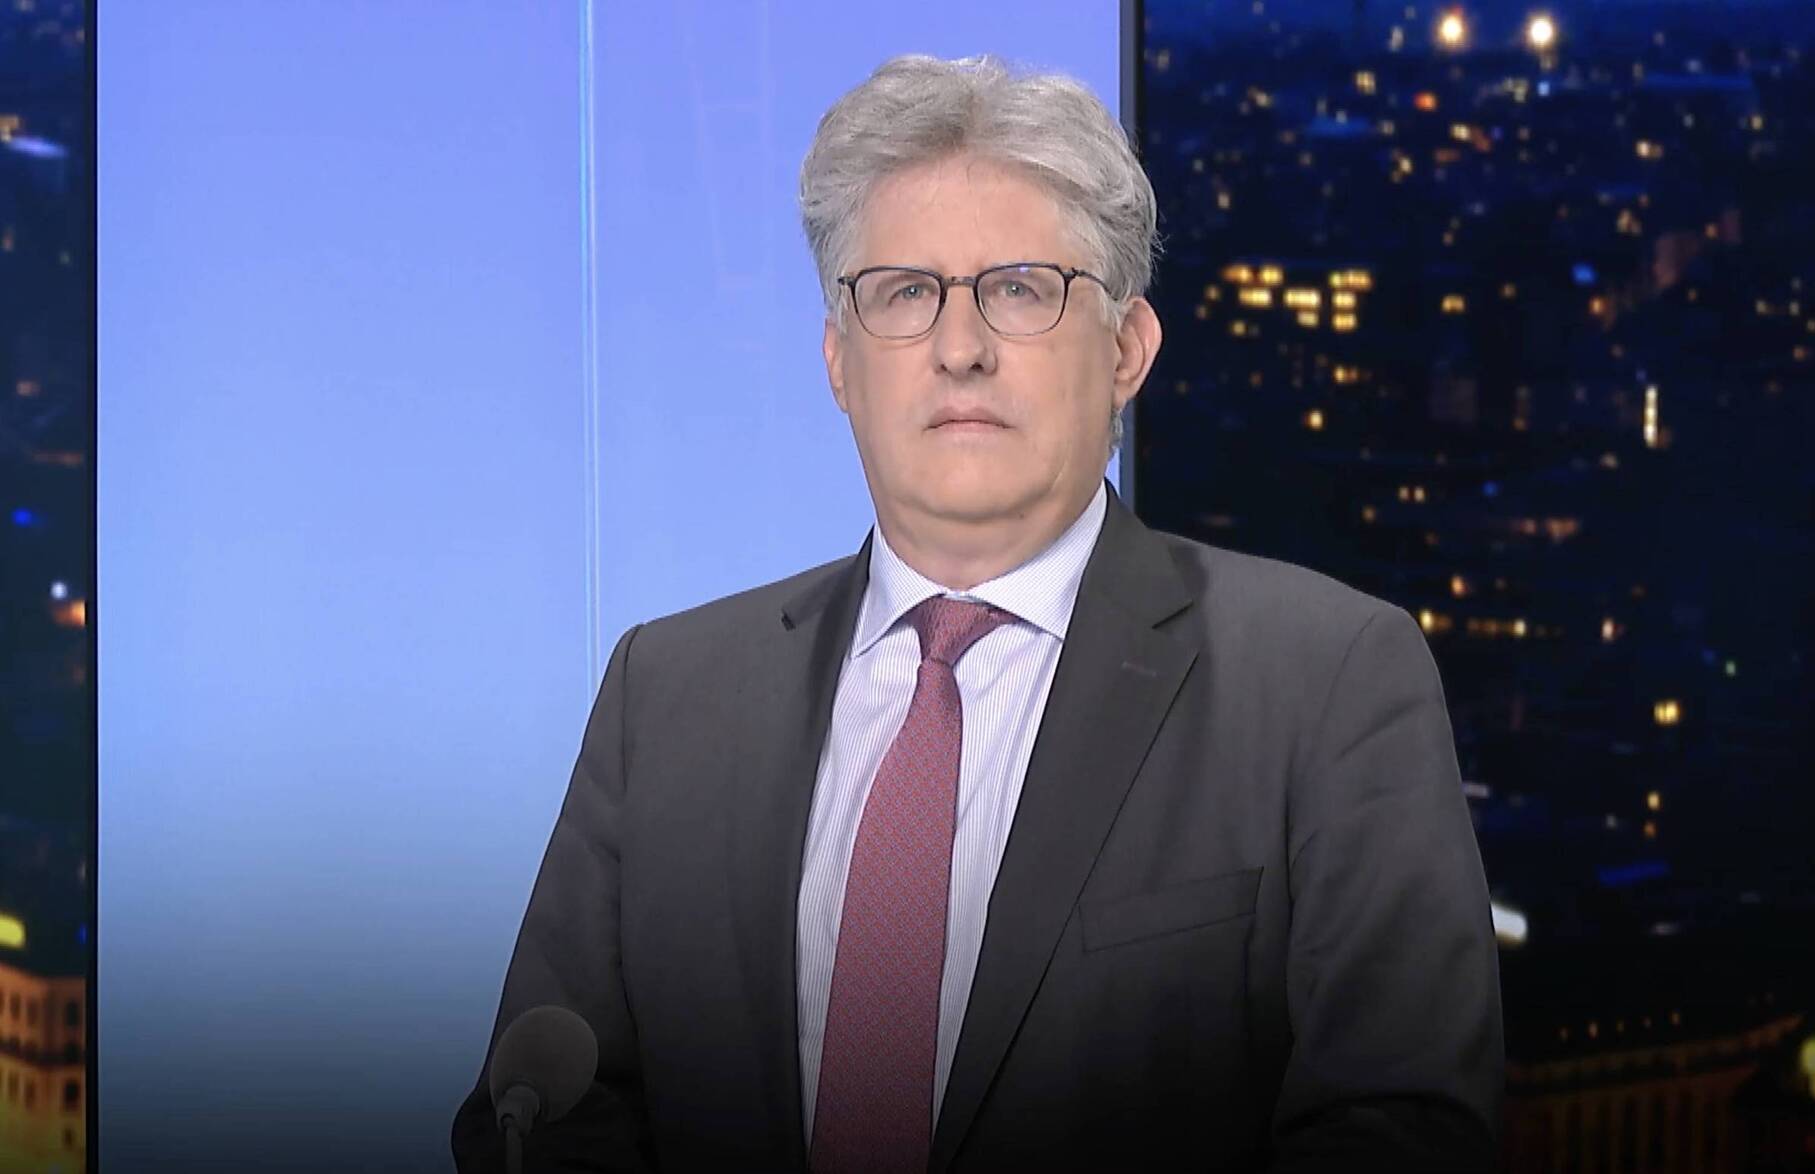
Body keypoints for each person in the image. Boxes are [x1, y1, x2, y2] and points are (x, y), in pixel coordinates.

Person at [452, 53, 1502, 1174]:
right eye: (905, 293)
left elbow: (1405, 1130)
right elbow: (545, 1110)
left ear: (1127, 350)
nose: (959, 348)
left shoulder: (1325, 681)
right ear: (838, 362)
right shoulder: (666, 692)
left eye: (1019, 288)